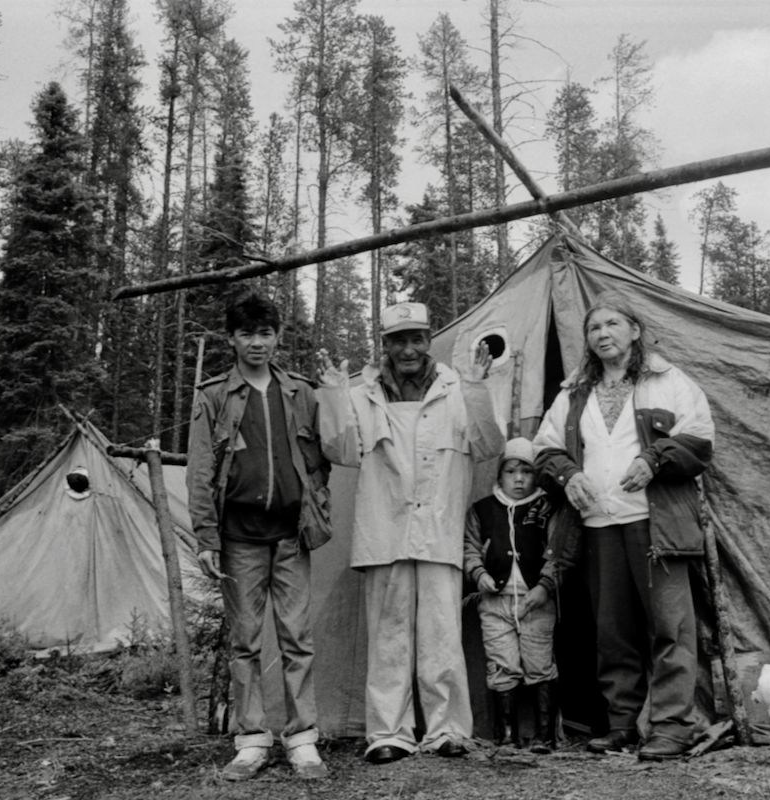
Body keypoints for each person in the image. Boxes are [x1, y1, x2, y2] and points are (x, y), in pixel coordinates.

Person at [318, 301, 505, 764]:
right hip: (383, 531)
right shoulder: (363, 393)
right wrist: (335, 394)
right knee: (388, 637)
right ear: (384, 344)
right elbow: (342, 450)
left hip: (439, 530)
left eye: (416, 338)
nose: (408, 349)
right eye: (397, 340)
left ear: (428, 340)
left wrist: (479, 386)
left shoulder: (458, 387)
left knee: (442, 634)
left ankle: (448, 730)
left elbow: (488, 445)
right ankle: (389, 733)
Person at [533, 293, 714, 762]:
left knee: (670, 627)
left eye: (613, 324)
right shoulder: (573, 392)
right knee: (611, 631)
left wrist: (654, 458)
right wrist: (568, 475)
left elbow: (699, 441)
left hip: (657, 527)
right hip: (597, 524)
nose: (603, 334)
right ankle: (622, 724)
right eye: (594, 328)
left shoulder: (668, 381)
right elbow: (545, 449)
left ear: (635, 330)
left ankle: (673, 726)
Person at [186, 294, 332, 781]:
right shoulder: (213, 396)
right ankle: (251, 741)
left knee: (297, 639)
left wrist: (316, 501)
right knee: (246, 642)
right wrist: (206, 536)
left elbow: (325, 454)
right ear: (231, 339)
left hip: (291, 535)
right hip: (238, 537)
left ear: (278, 337)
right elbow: (201, 469)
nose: (257, 343)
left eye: (265, 333)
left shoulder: (300, 392)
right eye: (247, 334)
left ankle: (302, 740)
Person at [462, 437, 560, 753]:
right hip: (495, 602)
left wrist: (545, 586)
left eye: (527, 472)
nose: (519, 479)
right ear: (499, 475)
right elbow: (469, 548)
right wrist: (480, 575)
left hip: (536, 602)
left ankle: (545, 735)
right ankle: (506, 734)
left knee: (539, 662)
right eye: (511, 471)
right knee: (502, 663)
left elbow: (559, 552)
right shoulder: (482, 510)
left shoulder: (548, 507)